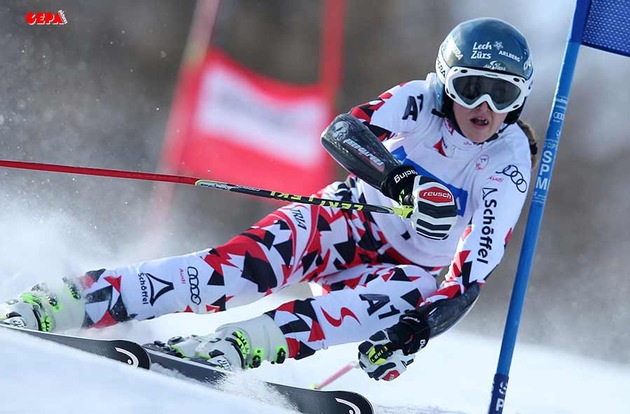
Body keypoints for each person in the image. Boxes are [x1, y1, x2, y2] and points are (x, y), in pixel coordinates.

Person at [0, 17, 538, 381]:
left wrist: (415, 332)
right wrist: (400, 183)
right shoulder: (420, 101)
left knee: (391, 300)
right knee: (230, 274)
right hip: (345, 219)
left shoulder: (507, 164)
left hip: (407, 270)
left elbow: (471, 274)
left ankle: (232, 347)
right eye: (471, 88)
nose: (485, 108)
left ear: (520, 100)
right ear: (446, 82)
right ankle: (67, 300)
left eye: (504, 94)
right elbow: (343, 132)